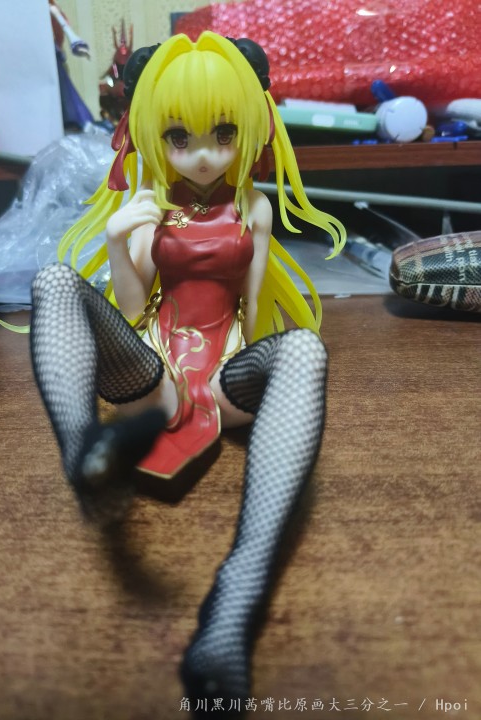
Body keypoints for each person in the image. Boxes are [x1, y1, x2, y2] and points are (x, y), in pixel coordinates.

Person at [30, 31, 346, 710]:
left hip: (226, 372)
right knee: (54, 282)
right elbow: (133, 310)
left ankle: (233, 605)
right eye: (179, 137)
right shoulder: (150, 210)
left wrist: (265, 368)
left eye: (223, 134)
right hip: (159, 373)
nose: (204, 155)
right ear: (153, 136)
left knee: (304, 350)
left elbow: (255, 311)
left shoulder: (254, 209)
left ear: (251, 129)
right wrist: (120, 241)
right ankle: (84, 457)